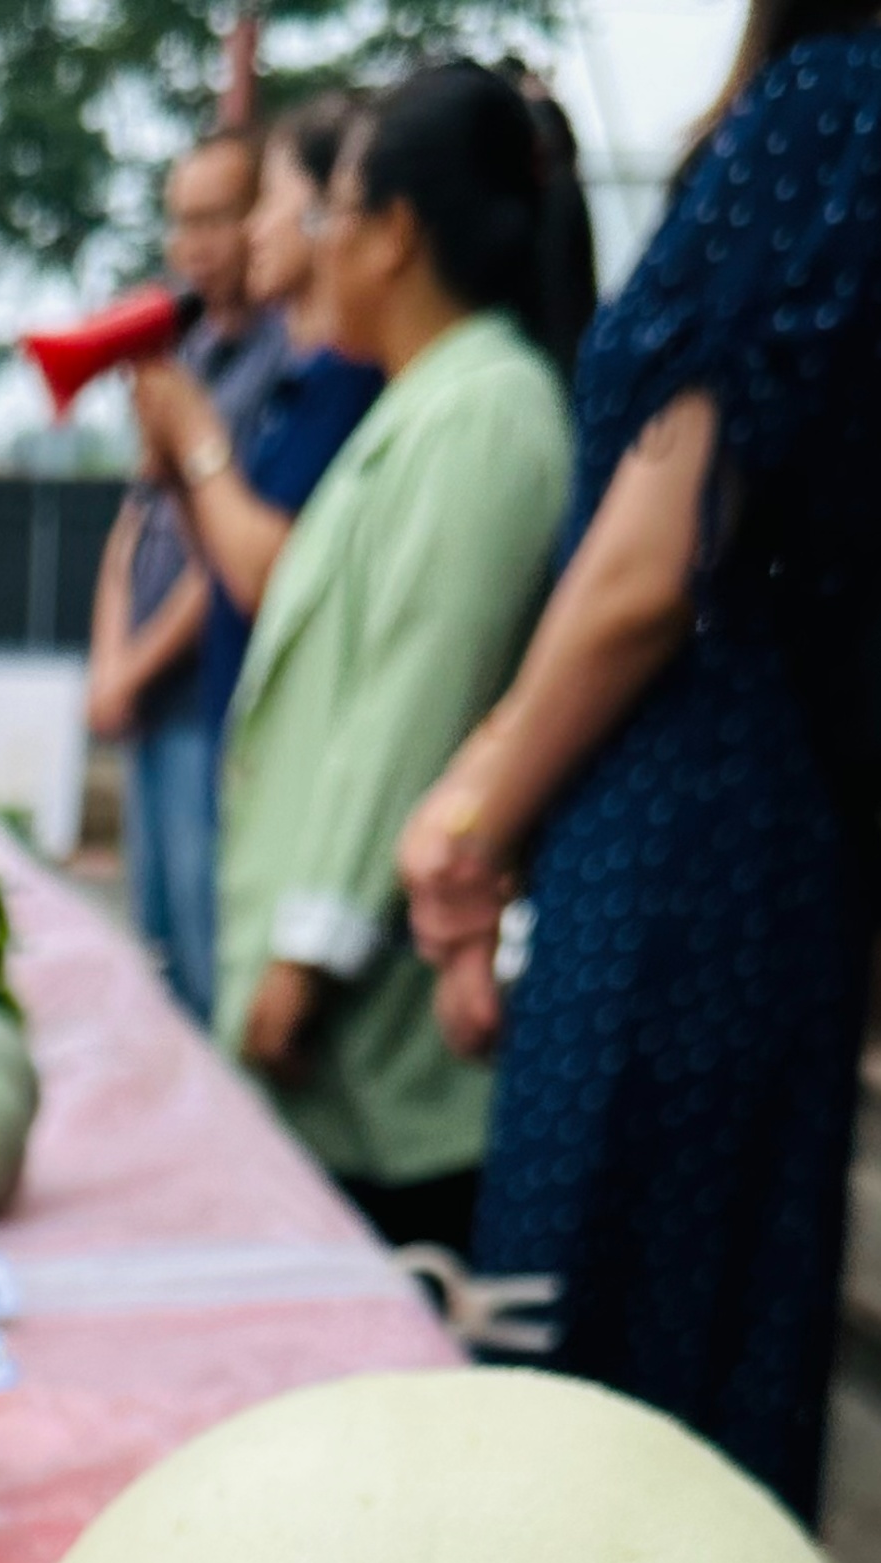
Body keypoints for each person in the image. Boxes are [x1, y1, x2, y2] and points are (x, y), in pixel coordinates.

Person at [402, 0, 881, 1523]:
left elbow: (651, 569)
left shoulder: (852, 99)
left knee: (588, 1418)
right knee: (648, 1415)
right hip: (723, 835)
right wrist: (491, 793)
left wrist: (471, 828)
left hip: (690, 850)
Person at [214, 70, 577, 1250]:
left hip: (378, 1041)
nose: (313, 244)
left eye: (330, 212)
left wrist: (305, 958)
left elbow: (410, 710)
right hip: (350, 1032)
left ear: (395, 235)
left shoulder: (483, 414)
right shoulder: (430, 403)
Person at [85, 131, 287, 1020]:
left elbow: (233, 555)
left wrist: (129, 671)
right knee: (157, 959)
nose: (193, 245)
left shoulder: (284, 360)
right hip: (146, 707)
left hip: (209, 709)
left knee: (210, 972)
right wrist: (107, 664)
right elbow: (139, 519)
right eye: (181, 222)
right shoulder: (191, 355)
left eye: (216, 218)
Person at [128, 102, 382, 750]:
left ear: (331, 213)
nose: (253, 229)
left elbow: (263, 577)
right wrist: (177, 471)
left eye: (266, 201)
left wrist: (196, 438)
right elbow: (220, 552)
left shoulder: (340, 378)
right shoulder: (289, 370)